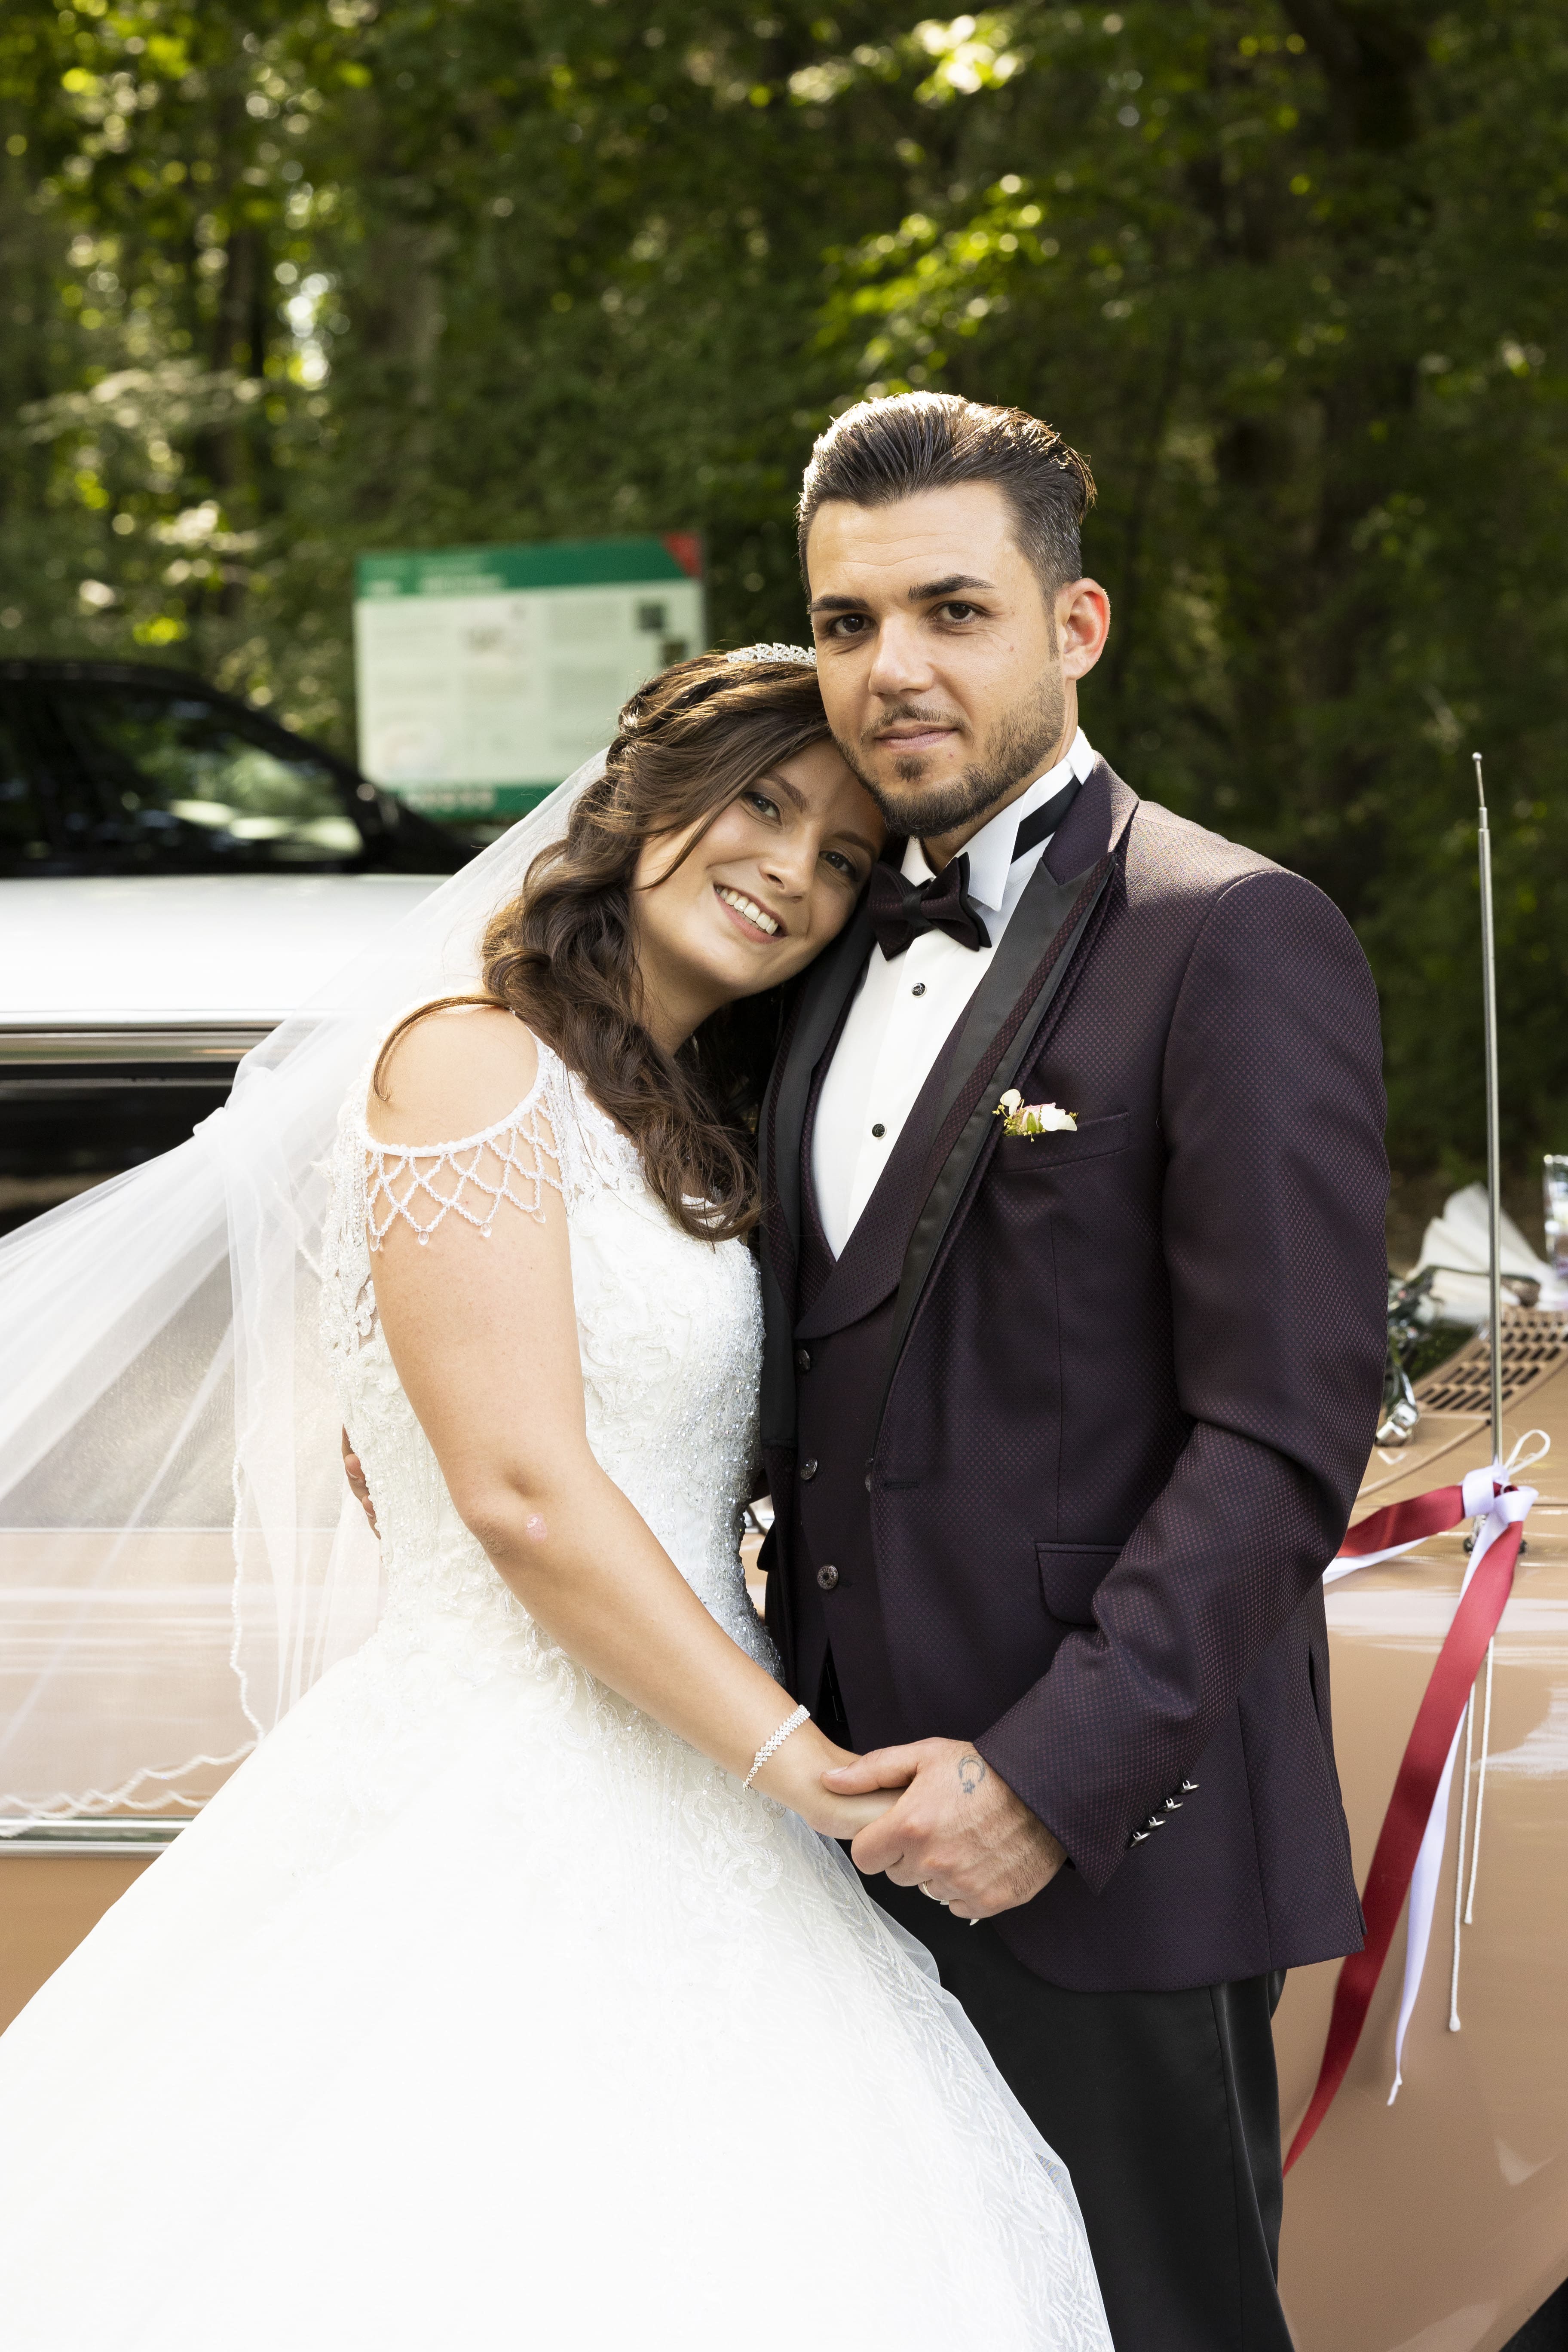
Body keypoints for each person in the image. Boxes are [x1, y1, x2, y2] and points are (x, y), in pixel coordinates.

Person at [0, 649, 1111, 2352]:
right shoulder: (468, 1060)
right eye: (762, 805)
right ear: (642, 804)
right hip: (517, 1781)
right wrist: (793, 1757)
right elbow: (520, 1494)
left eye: (837, 857)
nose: (793, 871)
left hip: (695, 1786)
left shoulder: (684, 1114)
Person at [756, 392, 1389, 2352]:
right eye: (849, 625)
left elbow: (1285, 1433)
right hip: (811, 1847)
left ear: (1078, 626)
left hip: (1113, 1846)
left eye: (953, 608)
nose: (895, 669)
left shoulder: (1233, 932)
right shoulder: (803, 945)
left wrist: (1045, 1782)